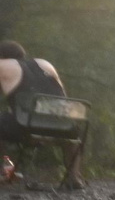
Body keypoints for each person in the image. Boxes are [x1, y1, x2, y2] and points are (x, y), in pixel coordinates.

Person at [0, 42, 86, 189]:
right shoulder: (45, 64)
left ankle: (2, 171)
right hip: (63, 126)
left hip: (26, 126)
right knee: (71, 134)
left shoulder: (3, 65)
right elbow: (62, 97)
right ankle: (73, 176)